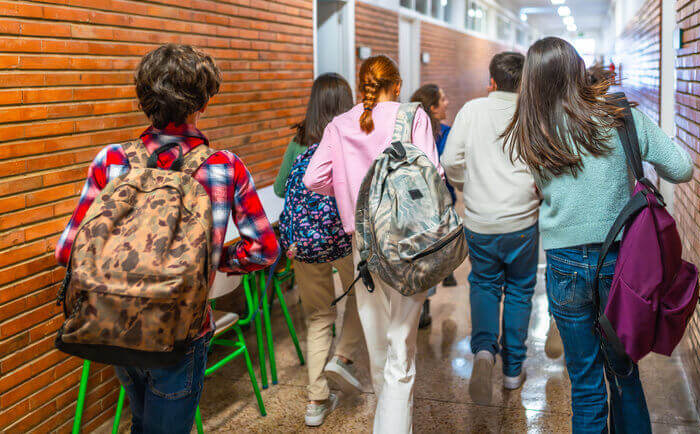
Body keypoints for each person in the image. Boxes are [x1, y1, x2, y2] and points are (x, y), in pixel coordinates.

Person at [55, 44, 279, 433]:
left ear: (145, 100)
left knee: (140, 416)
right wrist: (214, 260)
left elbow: (67, 252)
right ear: (203, 104)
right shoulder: (224, 167)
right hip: (182, 328)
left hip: (114, 323)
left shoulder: (109, 160)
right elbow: (264, 250)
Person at [502, 37, 693, 433]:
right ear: (578, 68)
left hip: (564, 264)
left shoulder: (531, 128)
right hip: (621, 263)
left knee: (585, 384)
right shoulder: (620, 116)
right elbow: (681, 169)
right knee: (624, 375)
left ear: (532, 80)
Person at [303, 55, 442, 433]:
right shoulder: (413, 117)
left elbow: (313, 178)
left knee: (379, 345)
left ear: (362, 84)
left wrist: (348, 190)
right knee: (402, 346)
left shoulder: (340, 124)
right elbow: (435, 174)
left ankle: (389, 418)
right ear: (396, 85)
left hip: (362, 243)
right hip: (408, 241)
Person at [441, 52, 540, 405]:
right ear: (525, 81)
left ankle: (484, 353)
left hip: (480, 221)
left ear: (492, 81)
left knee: (483, 283)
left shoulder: (471, 110)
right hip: (522, 221)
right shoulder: (533, 112)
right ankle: (513, 371)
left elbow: (450, 160)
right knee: (519, 289)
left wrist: (469, 185)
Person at [272, 73, 365, 427]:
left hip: (306, 242)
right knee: (361, 297)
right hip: (345, 237)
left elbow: (282, 189)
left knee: (317, 318)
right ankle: (342, 357)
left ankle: (316, 400)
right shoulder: (351, 138)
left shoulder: (299, 141)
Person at [409, 83, 456, 330]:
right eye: (443, 99)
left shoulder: (406, 130)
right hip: (436, 205)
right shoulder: (445, 133)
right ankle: (424, 303)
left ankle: (417, 304)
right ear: (433, 107)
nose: (447, 103)